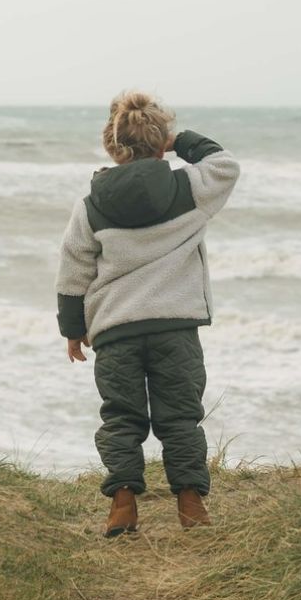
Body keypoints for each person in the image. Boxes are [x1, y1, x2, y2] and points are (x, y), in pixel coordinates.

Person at [54, 90, 241, 538]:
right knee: (179, 415)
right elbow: (225, 165)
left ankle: (122, 505)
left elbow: (73, 267)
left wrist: (72, 330)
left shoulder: (91, 204)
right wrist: (181, 142)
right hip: (174, 327)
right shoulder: (188, 189)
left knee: (121, 417)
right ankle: (191, 504)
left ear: (112, 148)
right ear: (162, 143)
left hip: (116, 331)